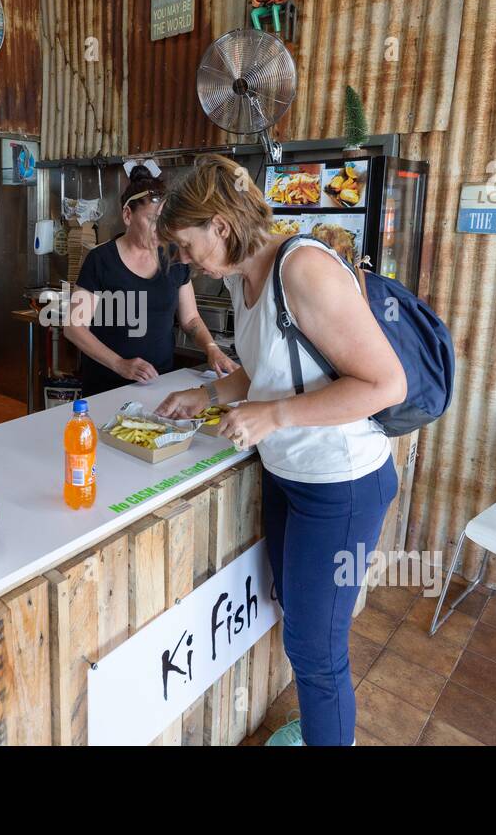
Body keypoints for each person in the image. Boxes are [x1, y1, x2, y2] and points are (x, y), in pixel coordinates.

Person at [153, 155, 406, 746]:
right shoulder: (245, 281)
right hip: (292, 478)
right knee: (295, 611)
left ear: (219, 224)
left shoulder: (303, 268)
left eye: (188, 245)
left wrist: (274, 416)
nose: (185, 261)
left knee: (316, 655)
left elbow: (384, 384)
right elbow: (272, 372)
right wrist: (206, 393)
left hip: (340, 484)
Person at [63, 165, 239, 397]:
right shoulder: (101, 260)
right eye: (152, 220)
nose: (161, 229)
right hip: (105, 388)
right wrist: (120, 364)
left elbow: (190, 318)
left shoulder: (176, 257)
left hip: (160, 384)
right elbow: (74, 327)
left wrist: (211, 348)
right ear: (127, 215)